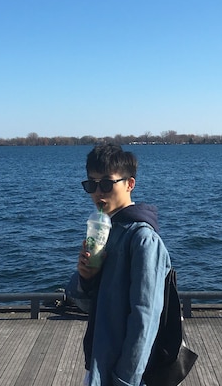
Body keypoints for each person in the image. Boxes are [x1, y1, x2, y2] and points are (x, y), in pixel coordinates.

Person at [67, 144, 171, 386]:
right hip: (99, 366)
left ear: (129, 184)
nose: (97, 193)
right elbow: (88, 306)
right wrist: (86, 278)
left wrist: (125, 379)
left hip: (125, 376)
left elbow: (145, 317)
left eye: (106, 183)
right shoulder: (106, 231)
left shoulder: (143, 239)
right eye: (91, 184)